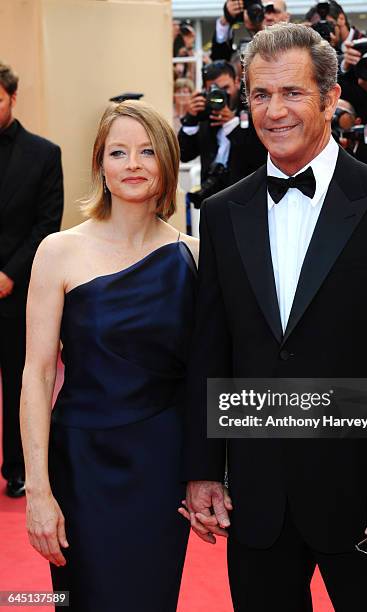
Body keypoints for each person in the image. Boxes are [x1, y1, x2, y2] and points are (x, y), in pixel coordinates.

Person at [180, 23, 367, 612]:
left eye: (292, 93)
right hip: (259, 498)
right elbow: (210, 347)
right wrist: (202, 470)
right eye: (259, 94)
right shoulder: (222, 213)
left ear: (329, 97)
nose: (274, 111)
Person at [20, 100, 197, 611]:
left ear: (166, 161)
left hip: (162, 468)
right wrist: (38, 491)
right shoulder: (58, 251)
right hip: (82, 465)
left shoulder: (194, 256)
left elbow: (204, 373)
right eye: (118, 152)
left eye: (146, 151)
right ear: (100, 164)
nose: (133, 164)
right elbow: (36, 374)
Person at [0, 60, 63, 498]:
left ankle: (19, 468)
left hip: (17, 289)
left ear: (12, 97)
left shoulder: (43, 154)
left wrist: (8, 274)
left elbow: (46, 224)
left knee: (20, 381)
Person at [179, 60, 266, 206]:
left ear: (237, 82)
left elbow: (258, 157)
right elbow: (185, 154)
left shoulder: (253, 109)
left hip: (248, 199)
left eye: (226, 87)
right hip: (213, 200)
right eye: (214, 90)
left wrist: (232, 124)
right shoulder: (204, 113)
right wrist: (190, 120)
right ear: (205, 90)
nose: (221, 95)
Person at [211, 0, 290, 62]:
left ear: (286, 17)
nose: (269, 17)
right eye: (263, 11)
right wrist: (226, 19)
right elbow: (220, 60)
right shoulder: (246, 48)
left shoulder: (297, 42)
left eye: (275, 12)